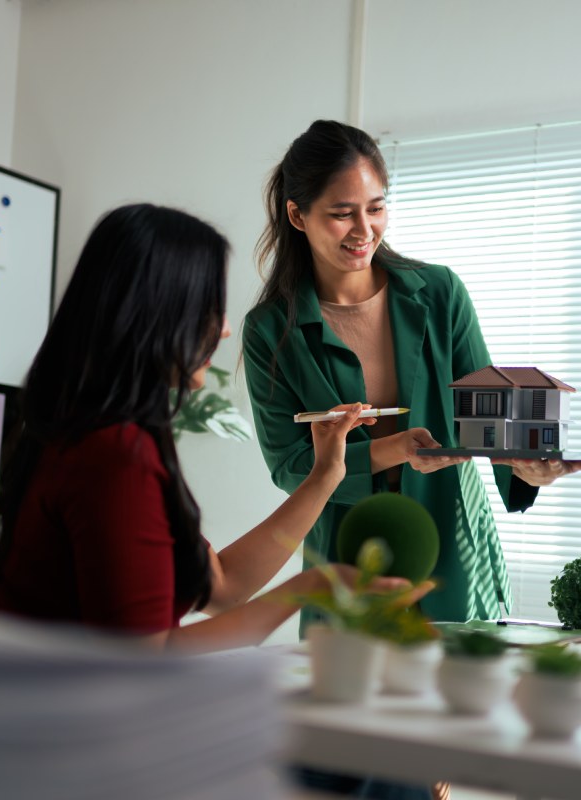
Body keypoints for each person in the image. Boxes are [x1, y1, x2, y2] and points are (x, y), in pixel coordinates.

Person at [0, 203, 415, 652]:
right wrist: (312, 588)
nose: (225, 330)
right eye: (209, 308)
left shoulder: (79, 431)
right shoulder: (113, 456)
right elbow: (144, 661)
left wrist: (325, 474)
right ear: (154, 312)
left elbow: (224, 588)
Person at [242, 119, 581, 633]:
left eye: (376, 208)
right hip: (346, 550)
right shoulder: (271, 329)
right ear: (297, 214)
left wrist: (528, 467)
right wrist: (395, 450)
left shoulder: (440, 292)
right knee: (346, 704)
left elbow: (488, 420)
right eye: (341, 214)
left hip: (453, 546)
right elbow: (291, 466)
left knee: (463, 698)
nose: (364, 230)